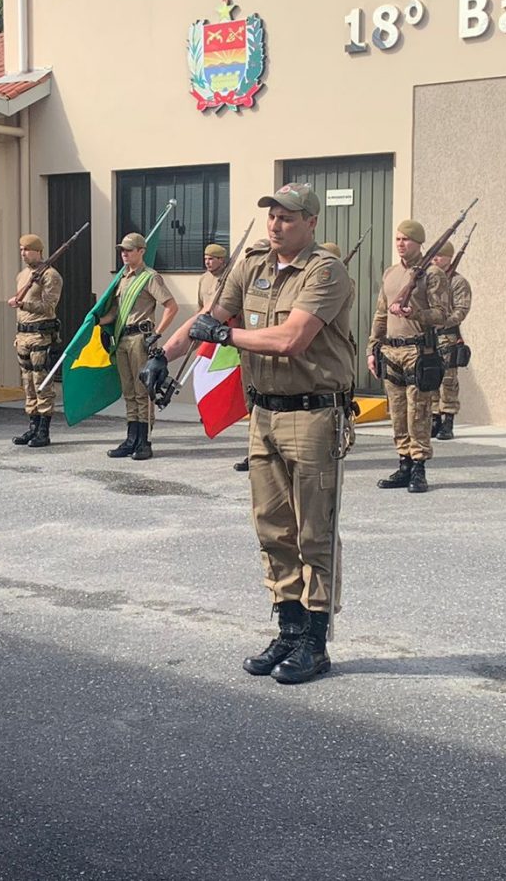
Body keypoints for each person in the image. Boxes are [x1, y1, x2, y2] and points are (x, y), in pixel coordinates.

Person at [147, 183, 352, 684]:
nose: (276, 224)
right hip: (264, 414)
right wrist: (161, 352)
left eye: (288, 217)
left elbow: (291, 338)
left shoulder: (325, 271)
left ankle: (315, 641)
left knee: (314, 531)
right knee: (271, 526)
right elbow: (209, 317)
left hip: (313, 414)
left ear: (311, 223)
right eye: (273, 216)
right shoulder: (254, 263)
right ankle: (288, 625)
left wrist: (228, 336)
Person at [367, 221, 452, 494]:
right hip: (391, 350)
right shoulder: (390, 273)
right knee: (398, 412)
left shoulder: (433, 274)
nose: (401, 243)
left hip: (418, 350)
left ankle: (419, 467)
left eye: (407, 239)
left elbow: (442, 314)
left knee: (420, 411)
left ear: (419, 242)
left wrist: (413, 313)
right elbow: (381, 313)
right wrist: (373, 348)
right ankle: (403, 463)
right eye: (398, 238)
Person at [100, 232, 177, 461]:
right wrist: (97, 321)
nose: (124, 254)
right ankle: (131, 438)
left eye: (129, 250)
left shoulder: (150, 277)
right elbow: (115, 312)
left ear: (141, 251)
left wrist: (158, 333)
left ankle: (144, 441)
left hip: (140, 340)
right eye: (122, 250)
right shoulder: (122, 278)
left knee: (143, 392)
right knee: (129, 392)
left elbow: (171, 306)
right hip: (122, 338)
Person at [198, 242, 251, 472]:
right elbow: (202, 310)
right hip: (214, 339)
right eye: (206, 258)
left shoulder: (234, 278)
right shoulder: (203, 280)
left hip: (237, 338)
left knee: (253, 399)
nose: (208, 261)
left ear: (223, 260)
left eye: (213, 258)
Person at [7, 234, 62, 448]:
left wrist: (22, 304)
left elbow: (49, 307)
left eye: (27, 249)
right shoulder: (23, 275)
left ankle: (44, 431)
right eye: (21, 249)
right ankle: (33, 426)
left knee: (42, 382)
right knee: (28, 382)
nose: (23, 253)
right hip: (23, 336)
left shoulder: (50, 276)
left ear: (39, 251)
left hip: (41, 336)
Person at [431, 240, 471, 441]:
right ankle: (434, 418)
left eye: (440, 255)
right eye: (434, 255)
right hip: (429, 335)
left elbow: (462, 309)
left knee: (448, 380)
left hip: (447, 335)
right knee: (429, 377)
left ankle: (447, 421)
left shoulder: (457, 282)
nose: (435, 258)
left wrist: (445, 321)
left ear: (449, 258)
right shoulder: (428, 278)